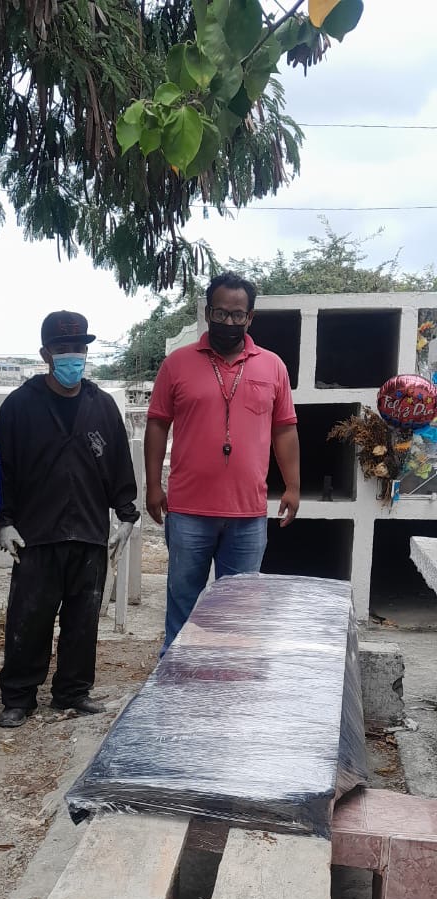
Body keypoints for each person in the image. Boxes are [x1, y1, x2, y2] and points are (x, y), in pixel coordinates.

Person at [0, 310, 139, 729]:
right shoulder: (20, 406)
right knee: (29, 619)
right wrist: (4, 520)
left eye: (78, 347)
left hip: (89, 531)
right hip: (36, 533)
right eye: (63, 348)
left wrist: (126, 515)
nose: (72, 356)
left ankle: (72, 692)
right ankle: (19, 696)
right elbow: (4, 468)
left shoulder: (102, 405)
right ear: (46, 354)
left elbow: (118, 464)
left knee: (83, 618)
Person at [145, 271, 300, 650]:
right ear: (207, 313)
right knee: (183, 605)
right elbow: (157, 424)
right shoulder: (177, 364)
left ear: (250, 317)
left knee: (238, 613)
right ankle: (175, 675)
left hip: (247, 514)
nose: (228, 322)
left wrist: (293, 486)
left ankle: (230, 679)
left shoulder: (272, 366)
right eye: (220, 313)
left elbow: (284, 430)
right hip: (188, 511)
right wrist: (152, 486)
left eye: (237, 315)